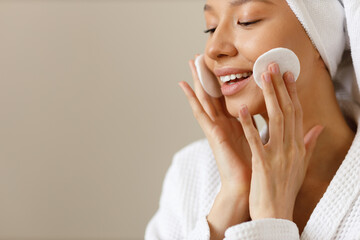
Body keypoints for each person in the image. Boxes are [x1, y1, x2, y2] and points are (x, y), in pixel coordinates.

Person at [145, 0, 360, 239]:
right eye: (211, 27)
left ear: (320, 38)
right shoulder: (192, 173)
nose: (214, 48)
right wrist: (231, 199)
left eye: (247, 20)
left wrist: (270, 220)